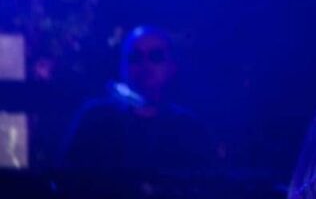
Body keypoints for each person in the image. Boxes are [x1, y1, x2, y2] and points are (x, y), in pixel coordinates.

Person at [59, 25, 216, 197]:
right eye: (135, 57)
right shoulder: (96, 118)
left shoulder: (187, 128)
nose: (144, 65)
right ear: (122, 65)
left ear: (171, 66)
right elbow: (66, 181)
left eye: (155, 56)